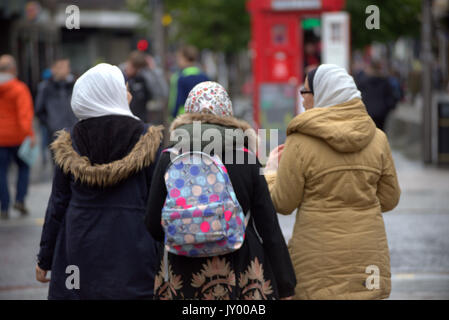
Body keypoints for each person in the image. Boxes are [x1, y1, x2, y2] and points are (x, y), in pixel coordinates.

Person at [145, 81, 296, 300]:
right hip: (240, 269)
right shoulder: (245, 157)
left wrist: (187, 233)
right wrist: (285, 285)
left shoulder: (170, 157)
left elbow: (152, 224)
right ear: (228, 114)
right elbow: (268, 227)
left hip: (183, 271)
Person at [265, 64, 401, 300]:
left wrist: (271, 172)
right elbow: (390, 199)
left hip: (317, 262)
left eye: (305, 92)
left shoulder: (300, 142)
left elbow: (283, 203)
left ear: (321, 94)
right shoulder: (378, 139)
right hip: (368, 259)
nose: (302, 99)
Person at [35, 63, 164, 299]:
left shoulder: (70, 141)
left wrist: (45, 257)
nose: (130, 94)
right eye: (124, 88)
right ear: (110, 92)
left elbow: (57, 204)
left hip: (79, 249)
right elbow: (160, 204)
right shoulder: (148, 139)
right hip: (134, 250)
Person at [0, 54, 35, 219]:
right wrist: (30, 134)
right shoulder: (19, 88)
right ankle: (20, 199)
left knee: (1, 172)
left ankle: (4, 207)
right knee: (24, 167)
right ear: (13, 69)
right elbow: (24, 115)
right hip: (18, 137)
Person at [35, 57, 77, 146]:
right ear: (53, 69)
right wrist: (51, 124)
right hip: (56, 134)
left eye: (66, 67)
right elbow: (39, 110)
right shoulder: (45, 88)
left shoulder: (75, 85)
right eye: (61, 67)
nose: (64, 70)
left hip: (75, 132)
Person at [168, 45, 209, 120]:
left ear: (184, 58)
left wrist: (172, 116)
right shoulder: (204, 77)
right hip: (201, 117)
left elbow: (175, 100)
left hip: (183, 118)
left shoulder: (178, 78)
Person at [356, 61, 396, 130]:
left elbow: (358, 97)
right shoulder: (385, 82)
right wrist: (386, 109)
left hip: (367, 113)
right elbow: (391, 98)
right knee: (380, 133)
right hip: (381, 114)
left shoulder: (363, 82)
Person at [124, 50, 154, 122]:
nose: (133, 70)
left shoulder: (142, 79)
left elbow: (159, 93)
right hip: (124, 120)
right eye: (132, 66)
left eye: (136, 68)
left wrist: (153, 70)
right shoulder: (118, 77)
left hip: (140, 121)